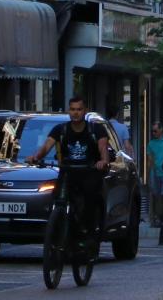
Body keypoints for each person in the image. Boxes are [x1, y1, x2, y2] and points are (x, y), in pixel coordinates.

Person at [29, 98, 110, 255]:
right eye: (72, 109)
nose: (75, 113)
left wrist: (103, 161)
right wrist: (36, 157)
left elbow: (103, 147)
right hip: (68, 172)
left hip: (88, 172)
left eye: (79, 109)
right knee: (57, 199)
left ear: (84, 111)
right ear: (69, 111)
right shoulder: (61, 129)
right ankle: (58, 229)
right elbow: (46, 146)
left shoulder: (96, 129)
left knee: (89, 200)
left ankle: (88, 234)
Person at [145, 122, 163, 225]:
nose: (154, 133)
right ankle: (156, 217)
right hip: (155, 172)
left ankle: (162, 217)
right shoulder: (151, 144)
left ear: (161, 130)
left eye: (155, 131)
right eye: (152, 131)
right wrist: (149, 175)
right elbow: (150, 160)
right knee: (155, 195)